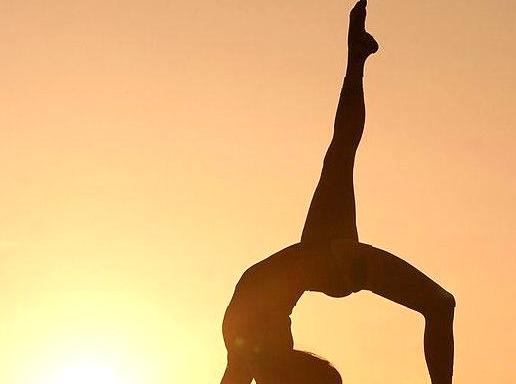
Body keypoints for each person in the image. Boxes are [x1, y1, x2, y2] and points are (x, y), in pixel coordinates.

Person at [220, 1, 455, 383]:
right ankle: (356, 56)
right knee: (341, 151)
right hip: (322, 264)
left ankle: (357, 55)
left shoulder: (250, 354)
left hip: (325, 263)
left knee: (441, 305)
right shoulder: (245, 351)